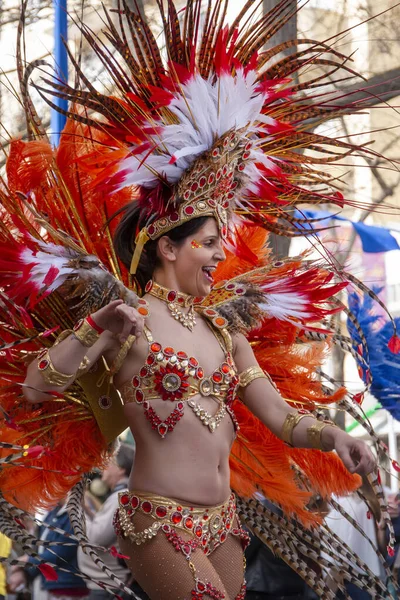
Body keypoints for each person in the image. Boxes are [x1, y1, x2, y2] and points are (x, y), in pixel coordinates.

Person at [0, 1, 396, 599]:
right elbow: (36, 386)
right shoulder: (127, 319)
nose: (219, 256)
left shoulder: (222, 331)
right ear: (166, 245)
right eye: (209, 243)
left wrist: (332, 438)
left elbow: (281, 418)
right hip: (157, 519)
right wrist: (95, 327)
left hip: (222, 524)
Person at [78, 442, 140, 600]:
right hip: (105, 586)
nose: (103, 467)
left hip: (107, 588)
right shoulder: (121, 497)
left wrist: (77, 508)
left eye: (108, 463)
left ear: (121, 469)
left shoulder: (122, 498)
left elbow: (95, 539)